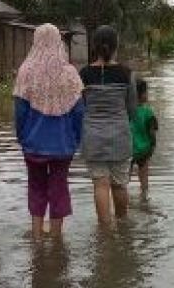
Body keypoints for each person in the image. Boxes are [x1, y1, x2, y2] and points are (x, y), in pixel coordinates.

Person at [13, 24, 85, 237]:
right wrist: (76, 139)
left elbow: (19, 111)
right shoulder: (69, 72)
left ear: (35, 41)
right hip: (63, 145)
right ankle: (56, 239)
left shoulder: (25, 71)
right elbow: (79, 111)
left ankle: (36, 237)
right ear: (58, 42)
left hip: (33, 144)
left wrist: (22, 137)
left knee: (35, 187)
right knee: (59, 187)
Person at [80, 25, 137, 223]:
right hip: (120, 137)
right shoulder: (127, 73)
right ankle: (122, 227)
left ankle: (105, 233)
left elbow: (80, 107)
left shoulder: (84, 74)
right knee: (120, 185)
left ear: (94, 46)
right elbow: (132, 110)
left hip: (93, 138)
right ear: (116, 46)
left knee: (100, 185)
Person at [130, 78, 158, 193]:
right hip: (144, 150)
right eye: (146, 92)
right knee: (144, 177)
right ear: (141, 95)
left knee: (122, 180)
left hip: (127, 150)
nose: (147, 95)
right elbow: (152, 133)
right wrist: (152, 146)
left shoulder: (126, 111)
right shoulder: (148, 112)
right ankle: (144, 198)